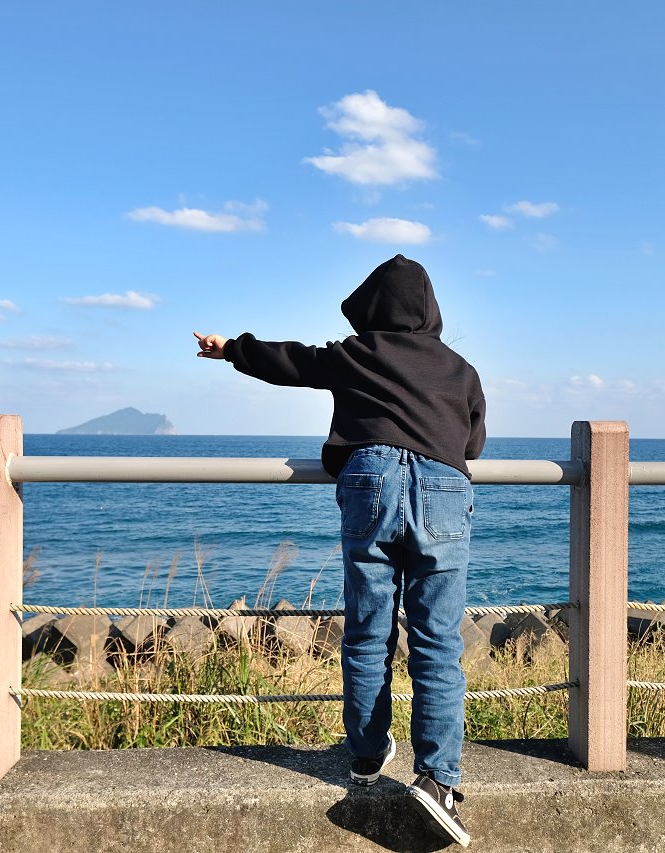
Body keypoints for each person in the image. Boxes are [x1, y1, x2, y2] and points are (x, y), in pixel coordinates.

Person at [194, 254, 485, 846]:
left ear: (371, 309)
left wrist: (231, 348)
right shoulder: (461, 369)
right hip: (444, 489)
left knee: (367, 632)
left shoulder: (356, 355)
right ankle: (438, 783)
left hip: (370, 482)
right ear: (430, 311)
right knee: (437, 641)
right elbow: (473, 440)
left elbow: (291, 361)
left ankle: (368, 755)